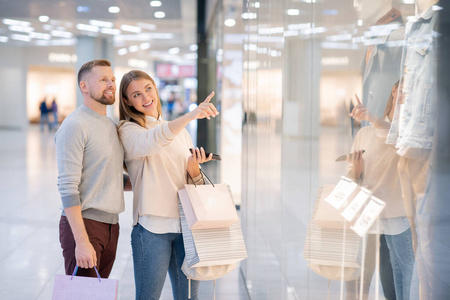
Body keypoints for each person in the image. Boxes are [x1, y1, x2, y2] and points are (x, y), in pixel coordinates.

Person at [117, 70, 219, 300]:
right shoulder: (128, 130)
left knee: (189, 297)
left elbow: (194, 181)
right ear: (127, 101)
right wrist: (190, 116)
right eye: (136, 94)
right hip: (152, 229)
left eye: (148, 89)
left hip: (186, 227)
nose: (145, 98)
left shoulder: (179, 132)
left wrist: (194, 166)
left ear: (155, 88)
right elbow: (153, 141)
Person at [386, 0, 440, 298]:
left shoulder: (437, 21)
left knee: (431, 249)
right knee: (420, 247)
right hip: (410, 144)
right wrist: (397, 136)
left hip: (428, 145)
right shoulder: (417, 24)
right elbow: (408, 86)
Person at [54, 59, 126, 279]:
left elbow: (108, 176)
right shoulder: (75, 125)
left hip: (112, 226)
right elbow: (68, 188)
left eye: (112, 79)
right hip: (86, 225)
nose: (112, 84)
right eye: (103, 79)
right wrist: (82, 242)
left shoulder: (110, 124)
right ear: (84, 86)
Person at [349, 83, 416, 300]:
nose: (407, 93)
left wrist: (373, 118)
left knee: (402, 271)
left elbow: (397, 137)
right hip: (368, 216)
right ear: (393, 90)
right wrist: (357, 170)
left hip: (397, 216)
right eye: (403, 87)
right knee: (366, 276)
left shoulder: (409, 133)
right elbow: (352, 178)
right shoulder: (365, 133)